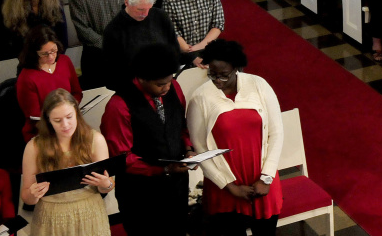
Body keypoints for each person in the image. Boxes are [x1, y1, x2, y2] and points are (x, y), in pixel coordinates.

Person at [186, 39, 284, 236]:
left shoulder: (259, 85)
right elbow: (200, 148)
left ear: (237, 68)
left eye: (224, 75)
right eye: (212, 74)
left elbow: (276, 133)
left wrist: (266, 178)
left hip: (262, 182)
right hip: (225, 188)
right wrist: (228, 185)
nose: (217, 81)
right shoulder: (200, 98)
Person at [100, 43, 195, 234]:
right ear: (141, 78)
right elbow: (122, 157)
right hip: (140, 193)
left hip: (176, 187)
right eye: (160, 84)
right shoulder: (119, 106)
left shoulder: (174, 87)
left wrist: (189, 150)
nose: (167, 87)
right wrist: (164, 168)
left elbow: (181, 126)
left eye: (169, 80)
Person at [21, 89, 112, 235]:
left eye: (69, 117)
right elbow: (26, 197)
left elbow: (108, 185)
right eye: (57, 120)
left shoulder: (95, 139)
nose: (65, 124)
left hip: (89, 214)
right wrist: (33, 195)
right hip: (50, 218)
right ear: (48, 120)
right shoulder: (34, 147)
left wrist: (105, 184)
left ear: (77, 112)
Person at [103, 0, 180, 90]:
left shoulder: (160, 16)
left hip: (164, 85)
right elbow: (112, 74)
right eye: (140, 9)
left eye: (149, 8)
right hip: (134, 90)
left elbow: (174, 51)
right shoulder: (113, 30)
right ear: (126, 2)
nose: (145, 14)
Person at [17, 26, 83, 142]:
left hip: (68, 123)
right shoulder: (26, 77)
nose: (51, 56)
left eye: (53, 50)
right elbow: (35, 117)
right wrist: (60, 121)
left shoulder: (64, 61)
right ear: (34, 53)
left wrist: (69, 112)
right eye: (45, 54)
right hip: (43, 131)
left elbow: (76, 93)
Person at [2, 0, 68, 57]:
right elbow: (14, 44)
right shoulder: (13, 8)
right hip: (27, 61)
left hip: (54, 58)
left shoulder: (55, 4)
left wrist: (52, 59)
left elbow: (63, 39)